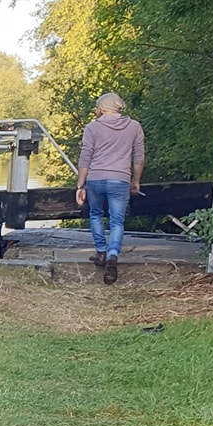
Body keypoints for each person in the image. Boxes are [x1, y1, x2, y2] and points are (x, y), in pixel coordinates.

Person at [76, 93, 145, 284]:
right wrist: (135, 180)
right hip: (120, 179)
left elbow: (85, 157)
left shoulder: (92, 128)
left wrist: (80, 185)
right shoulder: (134, 127)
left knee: (96, 214)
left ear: (102, 109)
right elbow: (139, 156)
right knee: (117, 221)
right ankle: (113, 254)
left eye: (97, 107)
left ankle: (101, 253)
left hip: (95, 179)